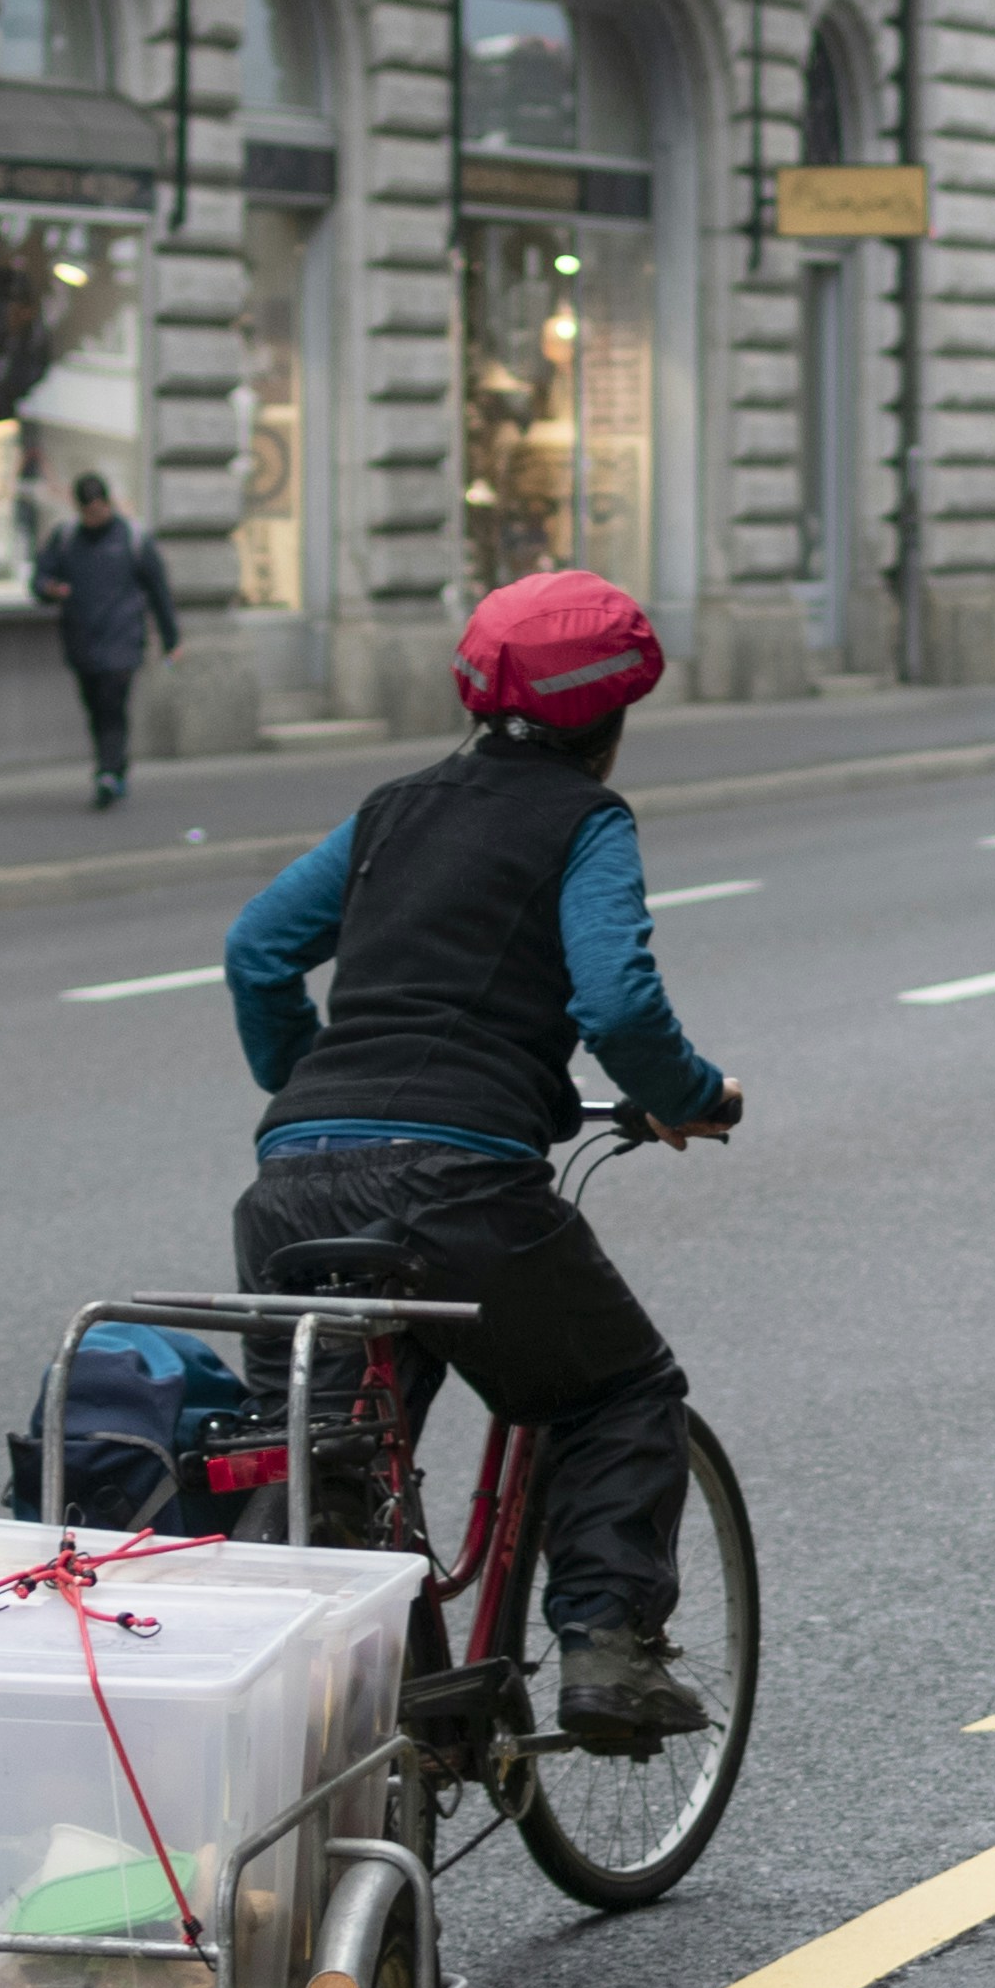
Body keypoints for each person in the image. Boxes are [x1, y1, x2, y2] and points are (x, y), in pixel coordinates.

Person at [221, 570, 744, 1739]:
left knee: (322, 1453)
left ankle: (372, 1695)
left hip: (293, 1179)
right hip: (456, 1183)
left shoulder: (390, 809)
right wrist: (690, 1095)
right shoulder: (584, 821)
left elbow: (257, 949)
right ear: (610, 722)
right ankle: (608, 1650)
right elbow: (613, 1003)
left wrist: (307, 1084)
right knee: (617, 1388)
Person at [30, 471, 180, 808]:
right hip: (82, 639)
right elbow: (39, 580)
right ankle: (113, 768)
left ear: (109, 504)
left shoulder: (133, 538)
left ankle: (108, 772)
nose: (95, 516)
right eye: (89, 511)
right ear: (79, 509)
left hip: (123, 637)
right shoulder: (66, 538)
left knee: (113, 704)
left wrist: (171, 639)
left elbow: (159, 591)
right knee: (96, 707)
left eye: (100, 509)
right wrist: (51, 589)